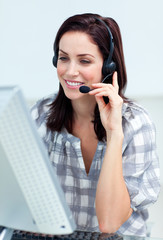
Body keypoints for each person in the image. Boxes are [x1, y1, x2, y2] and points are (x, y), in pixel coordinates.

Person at [31, 13, 160, 237]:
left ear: (109, 66)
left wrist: (114, 133)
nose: (70, 71)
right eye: (63, 58)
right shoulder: (42, 114)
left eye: (84, 61)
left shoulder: (136, 123)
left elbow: (108, 224)